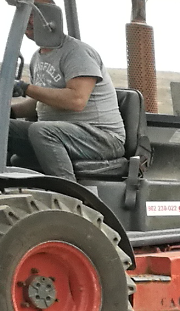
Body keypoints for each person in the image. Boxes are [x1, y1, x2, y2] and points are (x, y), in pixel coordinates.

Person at [7, 3, 125, 181]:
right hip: (61, 135)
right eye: (25, 14)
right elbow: (44, 101)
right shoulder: (37, 57)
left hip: (101, 138)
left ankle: (70, 197)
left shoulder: (77, 52)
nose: (27, 21)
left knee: (42, 131)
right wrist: (9, 111)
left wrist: (26, 88)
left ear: (51, 19)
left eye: (33, 14)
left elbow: (76, 100)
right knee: (0, 127)